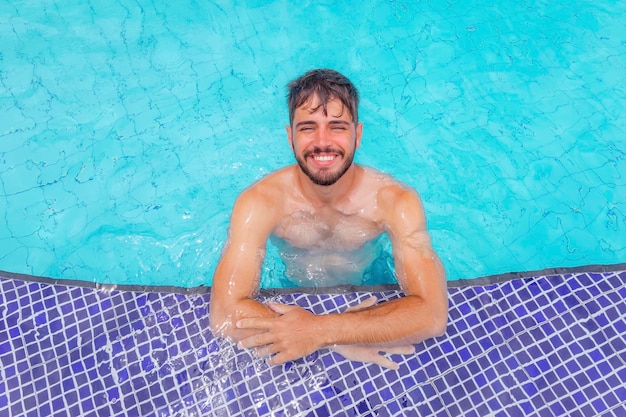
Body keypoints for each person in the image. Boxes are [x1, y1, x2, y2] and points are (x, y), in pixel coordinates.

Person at [209, 69, 448, 370]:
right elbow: (224, 312)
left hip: (370, 287)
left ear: (357, 135)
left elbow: (432, 314)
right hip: (290, 295)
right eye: (308, 128)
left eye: (337, 127)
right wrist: (335, 335)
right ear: (290, 136)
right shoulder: (261, 202)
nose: (322, 143)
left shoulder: (394, 201)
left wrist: (321, 333)